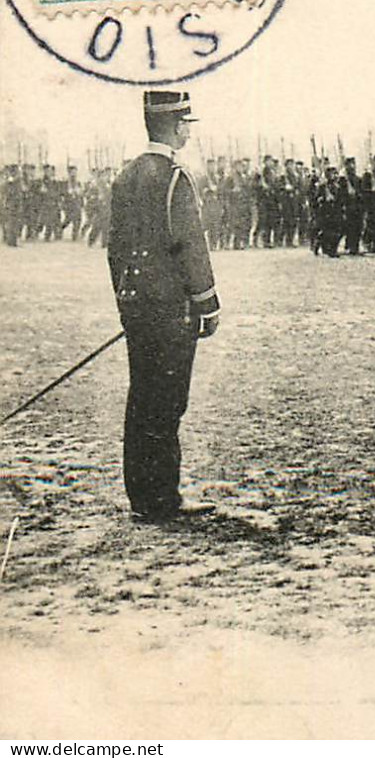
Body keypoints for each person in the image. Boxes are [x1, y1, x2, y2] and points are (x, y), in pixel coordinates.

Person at [106, 91, 220, 521]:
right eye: (187, 123)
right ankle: (163, 500)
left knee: (142, 399)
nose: (189, 130)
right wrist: (207, 302)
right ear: (174, 127)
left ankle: (142, 495)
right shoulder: (175, 177)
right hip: (173, 312)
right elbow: (190, 245)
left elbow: (115, 249)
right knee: (168, 402)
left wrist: (126, 297)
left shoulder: (127, 176)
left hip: (137, 308)